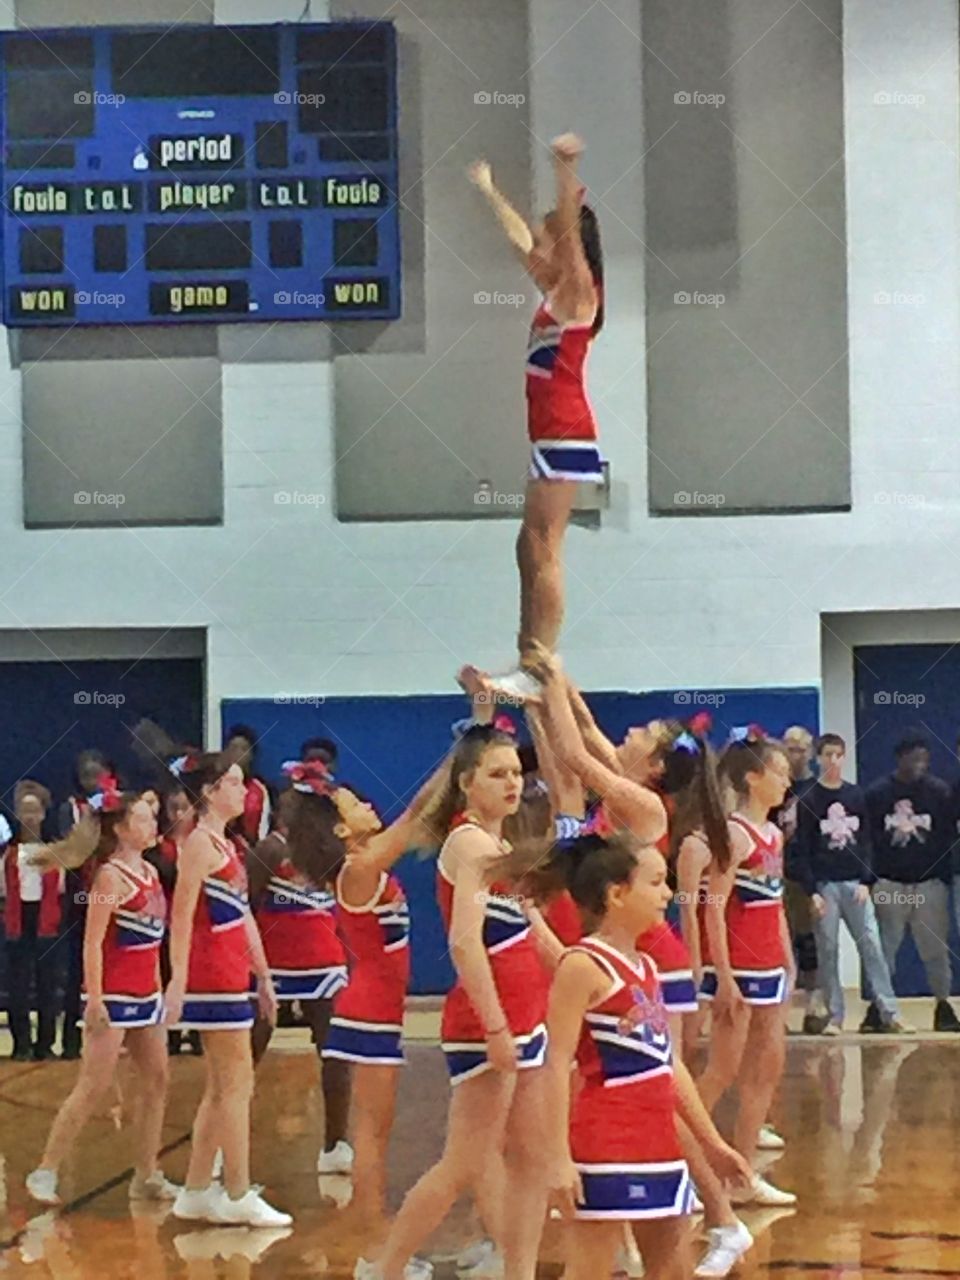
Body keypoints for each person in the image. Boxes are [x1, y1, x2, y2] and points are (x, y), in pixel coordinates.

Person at [362, 725, 559, 1280]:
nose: (512, 783)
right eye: (498, 774)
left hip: (526, 1017)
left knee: (531, 1159)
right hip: (486, 1022)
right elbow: (464, 941)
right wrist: (496, 1026)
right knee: (464, 1163)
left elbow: (537, 933)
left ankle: (517, 1270)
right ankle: (386, 1267)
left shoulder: (500, 846)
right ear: (468, 784)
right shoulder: (468, 842)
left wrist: (591, 979)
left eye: (517, 773)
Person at [543, 831, 751, 1280]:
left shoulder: (648, 966)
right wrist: (557, 1155)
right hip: (606, 1141)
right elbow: (556, 1063)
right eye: (656, 883)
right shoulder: (581, 965)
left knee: (671, 1269)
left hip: (660, 1140)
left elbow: (667, 1064)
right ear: (617, 894)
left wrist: (712, 1143)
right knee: (588, 1271)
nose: (668, 894)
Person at [468, 133, 604, 698]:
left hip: (567, 430)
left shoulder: (579, 292)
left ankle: (539, 662)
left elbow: (569, 234)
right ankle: (527, 652)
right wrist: (490, 190)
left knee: (546, 545)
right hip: (548, 434)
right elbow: (521, 239)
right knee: (528, 545)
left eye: (555, 241)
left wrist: (563, 170)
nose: (544, 250)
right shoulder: (554, 291)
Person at [25, 780, 178, 1205]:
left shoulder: (150, 872)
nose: (153, 824)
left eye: (152, 817)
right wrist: (94, 999)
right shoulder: (110, 876)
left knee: (158, 1080)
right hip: (113, 997)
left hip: (147, 996)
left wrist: (162, 992)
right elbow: (93, 942)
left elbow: (153, 945)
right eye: (144, 818)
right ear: (122, 830)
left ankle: (147, 1172)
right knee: (92, 1086)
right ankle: (45, 1171)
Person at [164, 751, 291, 1228]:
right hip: (211, 976)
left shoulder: (227, 845)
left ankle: (196, 1190)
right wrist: (176, 979)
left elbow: (243, 917)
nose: (245, 791)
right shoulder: (198, 844)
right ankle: (237, 1190)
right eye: (236, 783)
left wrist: (263, 976)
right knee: (237, 1083)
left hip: (232, 972)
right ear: (212, 791)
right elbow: (180, 916)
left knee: (222, 1088)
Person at [697, 728, 797, 1208]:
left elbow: (774, 905)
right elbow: (713, 907)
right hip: (738, 968)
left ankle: (740, 1174)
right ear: (754, 778)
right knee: (722, 1070)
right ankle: (680, 1158)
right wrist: (723, 976)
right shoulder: (734, 834)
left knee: (766, 1068)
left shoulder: (775, 834)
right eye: (780, 772)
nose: (788, 781)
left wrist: (788, 956)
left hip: (769, 966)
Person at [248, 760, 352, 1175]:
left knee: (335, 1051)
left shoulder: (332, 849)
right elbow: (246, 904)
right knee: (247, 1054)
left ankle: (336, 1143)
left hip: (324, 960)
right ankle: (222, 1145)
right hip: (274, 963)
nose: (286, 807)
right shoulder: (270, 849)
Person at [794, 734, 911, 1035]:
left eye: (838, 755)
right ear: (818, 758)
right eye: (827, 755)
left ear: (845, 757)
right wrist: (812, 890)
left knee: (871, 945)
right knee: (828, 950)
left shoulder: (856, 796)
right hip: (825, 885)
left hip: (855, 884)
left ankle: (890, 1012)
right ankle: (834, 1016)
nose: (833, 761)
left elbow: (868, 842)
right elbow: (802, 849)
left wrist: (866, 879)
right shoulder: (809, 800)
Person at [864, 732, 960, 1033]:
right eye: (914, 758)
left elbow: (948, 837)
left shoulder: (940, 792)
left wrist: (943, 877)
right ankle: (879, 1009)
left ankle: (943, 1005)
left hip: (928, 884)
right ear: (900, 758)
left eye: (925, 759)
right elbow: (869, 840)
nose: (920, 764)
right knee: (885, 950)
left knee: (935, 950)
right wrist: (872, 879)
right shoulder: (877, 794)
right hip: (890, 883)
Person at [3, 782, 63, 1061]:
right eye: (24, 811)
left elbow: (61, 888)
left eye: (34, 811)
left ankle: (46, 1044)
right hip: (18, 921)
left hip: (46, 922)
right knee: (19, 986)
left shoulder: (53, 852)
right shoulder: (9, 855)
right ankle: (21, 1044)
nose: (29, 817)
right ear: (17, 815)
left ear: (42, 814)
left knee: (47, 986)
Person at [770, 726, 824, 1035]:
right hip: (777, 874)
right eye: (789, 748)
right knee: (779, 944)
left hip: (809, 876)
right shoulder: (775, 789)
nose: (795, 754)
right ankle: (780, 1012)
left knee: (811, 943)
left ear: (811, 752)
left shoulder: (816, 790)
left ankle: (816, 1005)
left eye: (801, 748)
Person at [57, 748, 110, 1060]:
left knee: (109, 965)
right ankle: (70, 1042)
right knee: (78, 968)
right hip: (80, 897)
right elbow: (73, 848)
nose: (92, 779)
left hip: (111, 893)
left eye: (97, 773)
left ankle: (110, 1037)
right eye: (86, 774)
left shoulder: (116, 806)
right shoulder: (72, 808)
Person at [223, 724, 272, 846]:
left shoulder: (259, 790)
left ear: (251, 755)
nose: (238, 754)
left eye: (243, 749)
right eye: (233, 748)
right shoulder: (216, 786)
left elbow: (262, 833)